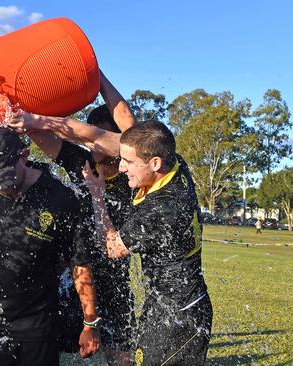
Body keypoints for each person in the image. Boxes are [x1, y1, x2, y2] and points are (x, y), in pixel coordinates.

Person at [0, 126, 101, 365]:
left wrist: (89, 323)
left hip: (32, 331)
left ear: (25, 156)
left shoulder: (60, 199)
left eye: (5, 176)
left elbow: (79, 263)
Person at [83, 120, 213, 366]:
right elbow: (128, 127)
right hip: (164, 305)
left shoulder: (162, 209)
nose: (121, 167)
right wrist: (100, 82)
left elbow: (113, 248)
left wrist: (97, 196)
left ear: (155, 163)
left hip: (181, 315)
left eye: (129, 162)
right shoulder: (176, 165)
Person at [19, 102, 136, 364]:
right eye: (90, 140)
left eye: (101, 139)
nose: (95, 149)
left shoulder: (134, 179)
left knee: (122, 358)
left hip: (116, 283)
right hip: (76, 278)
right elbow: (39, 135)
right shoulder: (83, 164)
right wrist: (24, 115)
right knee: (51, 350)